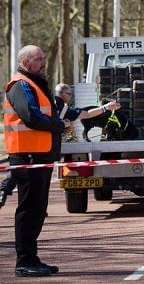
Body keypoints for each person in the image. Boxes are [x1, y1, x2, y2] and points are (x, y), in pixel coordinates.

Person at [3, 45, 71, 277]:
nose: (43, 62)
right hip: (27, 156)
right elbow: (31, 116)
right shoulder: (20, 85)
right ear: (25, 62)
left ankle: (31, 258)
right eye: (38, 59)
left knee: (38, 210)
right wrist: (59, 126)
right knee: (29, 210)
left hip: (39, 156)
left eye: (43, 58)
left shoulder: (34, 83)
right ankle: (24, 261)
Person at [54, 83, 121, 141]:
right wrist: (106, 107)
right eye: (69, 94)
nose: (71, 96)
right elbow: (88, 114)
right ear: (63, 94)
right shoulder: (64, 110)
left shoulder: (51, 106)